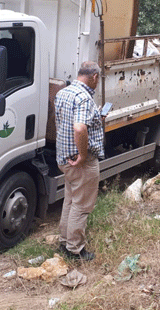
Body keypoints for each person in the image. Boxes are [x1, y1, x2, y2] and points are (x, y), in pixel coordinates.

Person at [54, 61, 105, 261]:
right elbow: (78, 128)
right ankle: (75, 250)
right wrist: (83, 155)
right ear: (94, 77)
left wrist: (96, 119)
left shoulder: (63, 92)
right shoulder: (84, 98)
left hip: (65, 158)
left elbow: (71, 123)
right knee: (82, 205)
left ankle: (64, 241)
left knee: (70, 200)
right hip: (80, 161)